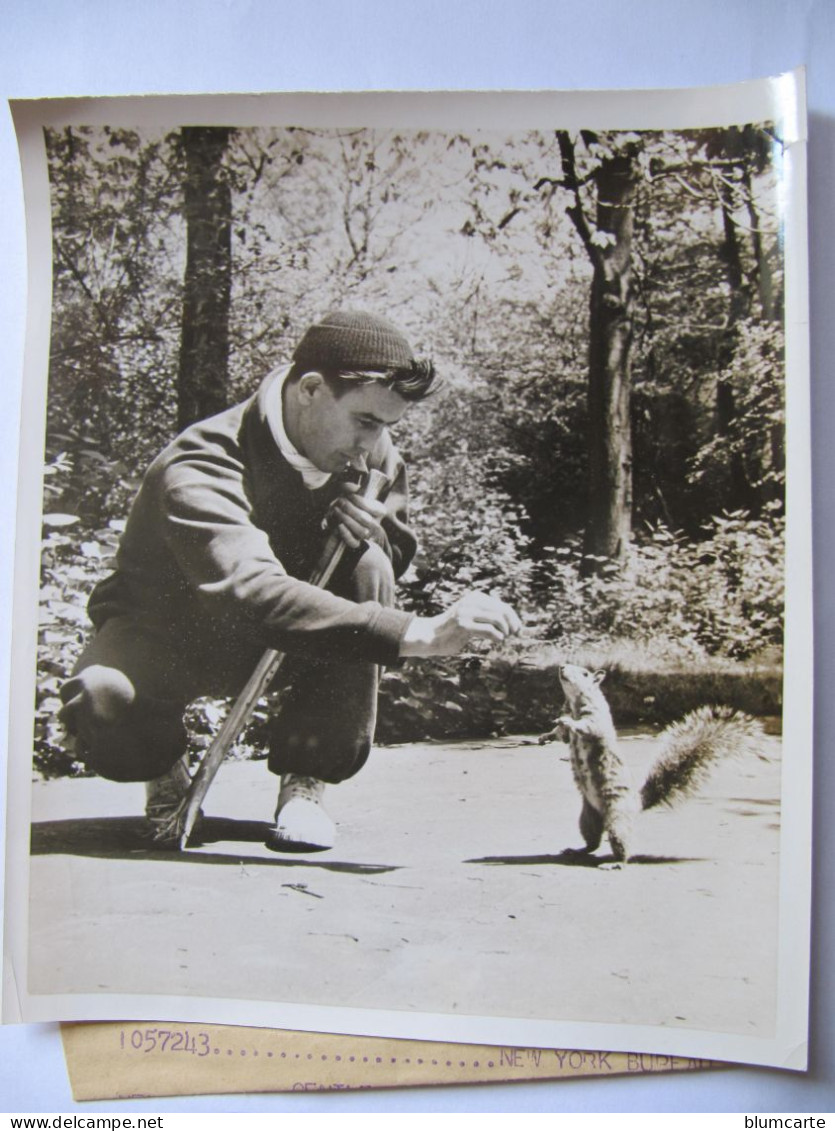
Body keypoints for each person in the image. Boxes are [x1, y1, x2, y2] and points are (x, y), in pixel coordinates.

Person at [58, 310, 522, 852]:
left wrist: (364, 535)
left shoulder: (370, 451)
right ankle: (164, 772)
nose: (374, 445)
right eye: (367, 422)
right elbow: (249, 591)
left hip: (292, 638)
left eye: (387, 428)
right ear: (310, 389)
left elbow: (391, 561)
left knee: (366, 562)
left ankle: (307, 782)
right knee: (100, 698)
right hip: (169, 638)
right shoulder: (202, 462)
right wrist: (419, 633)